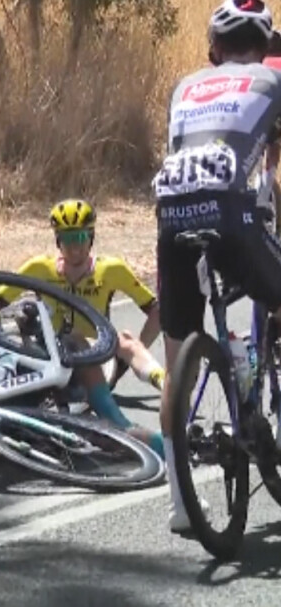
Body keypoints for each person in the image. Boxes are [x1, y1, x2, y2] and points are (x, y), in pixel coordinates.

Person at [155, 0, 281, 533]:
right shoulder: (269, 81)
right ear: (267, 46)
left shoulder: (185, 86)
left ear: (212, 50)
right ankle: (249, 391)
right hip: (231, 215)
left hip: (171, 217)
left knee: (177, 351)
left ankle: (181, 509)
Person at [0, 199, 165, 459]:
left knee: (123, 339)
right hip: (50, 359)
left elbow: (156, 310)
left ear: (92, 237)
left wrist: (128, 357)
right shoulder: (38, 268)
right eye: (67, 238)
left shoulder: (111, 269)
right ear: (57, 240)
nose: (74, 246)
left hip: (97, 358)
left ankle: (165, 383)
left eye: (81, 237)